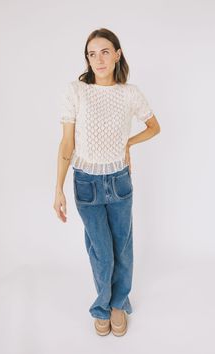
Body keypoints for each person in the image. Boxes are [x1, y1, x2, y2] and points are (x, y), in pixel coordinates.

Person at [53, 28, 161, 337]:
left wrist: (128, 143)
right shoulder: (75, 91)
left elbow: (154, 127)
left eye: (104, 52)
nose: (98, 59)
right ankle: (102, 304)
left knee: (122, 248)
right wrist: (57, 188)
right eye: (91, 53)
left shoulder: (130, 93)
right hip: (86, 182)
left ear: (117, 54)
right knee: (101, 250)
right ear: (86, 59)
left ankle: (118, 303)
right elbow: (66, 145)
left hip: (119, 181)